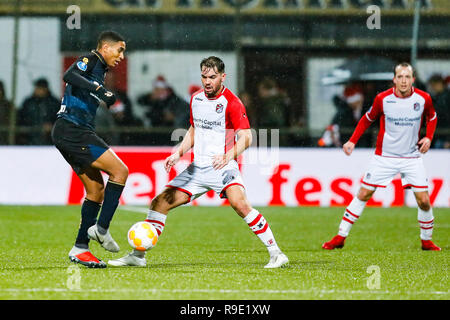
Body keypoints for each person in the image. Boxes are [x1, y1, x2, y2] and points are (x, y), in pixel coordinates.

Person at [109, 56, 289, 268]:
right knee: (160, 203)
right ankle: (138, 256)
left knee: (240, 204)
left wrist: (227, 156)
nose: (207, 81)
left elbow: (247, 137)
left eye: (212, 77)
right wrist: (178, 152)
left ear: (223, 77)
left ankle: (276, 253)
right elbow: (194, 130)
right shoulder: (196, 99)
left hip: (223, 167)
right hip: (196, 170)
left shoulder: (232, 102)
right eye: (204, 77)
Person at [322, 62, 441, 251]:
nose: (403, 81)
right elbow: (367, 118)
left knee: (424, 201)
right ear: (394, 79)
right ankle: (340, 236)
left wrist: (429, 136)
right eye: (400, 77)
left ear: (413, 80)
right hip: (384, 157)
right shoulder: (383, 99)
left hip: (412, 158)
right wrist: (352, 140)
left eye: (407, 77)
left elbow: (432, 117)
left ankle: (426, 241)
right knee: (363, 193)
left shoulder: (423, 98)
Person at [51, 31, 129, 268]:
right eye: (120, 50)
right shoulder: (91, 59)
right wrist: (98, 89)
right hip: (72, 130)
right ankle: (102, 229)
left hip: (73, 131)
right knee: (120, 171)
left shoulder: (101, 70)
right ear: (105, 47)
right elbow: (69, 74)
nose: (122, 56)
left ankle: (80, 248)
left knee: (96, 190)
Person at [17, 78, 60, 145]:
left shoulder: (54, 103)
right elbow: (21, 119)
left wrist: (52, 126)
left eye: (40, 88)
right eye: (37, 88)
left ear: (46, 89)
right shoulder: (28, 102)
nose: (37, 90)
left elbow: (59, 119)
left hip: (49, 141)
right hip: (29, 139)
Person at [427, 74, 450, 149]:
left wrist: (448, 139)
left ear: (440, 84)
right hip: (438, 135)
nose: (432, 87)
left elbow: (446, 119)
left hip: (444, 136)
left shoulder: (446, 98)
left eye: (434, 85)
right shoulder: (436, 98)